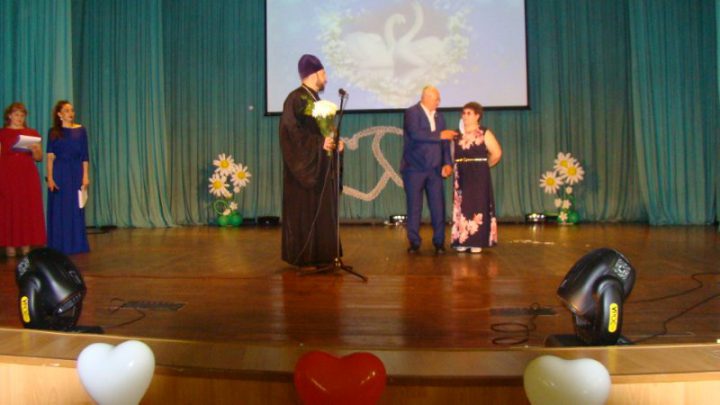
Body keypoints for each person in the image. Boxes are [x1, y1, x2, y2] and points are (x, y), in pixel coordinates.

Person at [279, 54, 344, 267]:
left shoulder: (316, 100)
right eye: (323, 73)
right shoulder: (295, 99)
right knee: (305, 211)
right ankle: (305, 255)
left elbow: (323, 132)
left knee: (323, 211)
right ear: (314, 74)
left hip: (321, 167)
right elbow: (290, 134)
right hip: (304, 171)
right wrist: (318, 144)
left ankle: (323, 254)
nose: (326, 78)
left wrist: (335, 142)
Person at [401, 86, 457, 254]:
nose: (439, 102)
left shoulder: (440, 117)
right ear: (425, 97)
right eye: (436, 99)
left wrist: (447, 163)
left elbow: (445, 143)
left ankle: (439, 242)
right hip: (414, 168)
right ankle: (414, 242)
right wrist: (440, 135)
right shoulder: (412, 112)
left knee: (438, 207)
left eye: (439, 99)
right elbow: (416, 134)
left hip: (434, 169)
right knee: (414, 207)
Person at [451, 102, 502, 253]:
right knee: (462, 205)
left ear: (477, 116)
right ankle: (461, 240)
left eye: (469, 113)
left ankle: (477, 241)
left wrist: (484, 166)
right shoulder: (456, 134)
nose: (465, 116)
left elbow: (496, 153)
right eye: (463, 113)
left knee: (478, 204)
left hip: (479, 174)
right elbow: (451, 155)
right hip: (461, 173)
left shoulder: (484, 132)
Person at [0, 102, 46, 257]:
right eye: (16, 114)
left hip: (27, 175)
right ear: (9, 116)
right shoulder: (2, 133)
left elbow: (39, 158)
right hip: (7, 174)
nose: (19, 118)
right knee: (9, 208)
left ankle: (26, 243)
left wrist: (35, 150)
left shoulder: (31, 133)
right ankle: (9, 245)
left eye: (22, 115)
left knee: (26, 208)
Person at [46, 100, 90, 255]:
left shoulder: (81, 130)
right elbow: (50, 157)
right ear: (59, 114)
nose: (70, 113)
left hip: (76, 171)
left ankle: (76, 244)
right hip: (60, 172)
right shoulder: (53, 132)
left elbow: (85, 156)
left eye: (72, 110)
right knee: (60, 209)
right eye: (66, 110)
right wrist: (50, 178)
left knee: (76, 208)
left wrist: (85, 176)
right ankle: (60, 244)